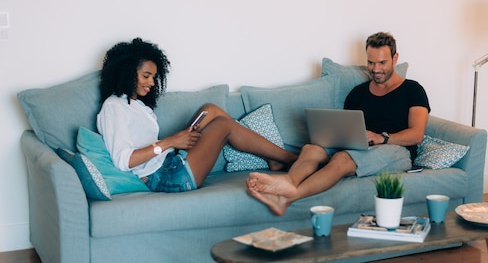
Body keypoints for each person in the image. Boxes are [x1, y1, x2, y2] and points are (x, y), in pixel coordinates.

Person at [246, 31, 430, 215]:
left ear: (395, 58)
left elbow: (416, 134)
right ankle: (288, 182)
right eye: (371, 62)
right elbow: (347, 126)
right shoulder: (358, 93)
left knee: (342, 158)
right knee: (312, 149)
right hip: (361, 146)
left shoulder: (412, 90)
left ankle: (285, 198)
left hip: (397, 150)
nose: (375, 69)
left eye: (382, 62)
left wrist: (383, 138)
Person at [97, 38, 297, 193]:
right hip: (167, 178)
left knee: (210, 110)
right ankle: (289, 158)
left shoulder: (137, 106)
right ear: (127, 72)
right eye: (146, 76)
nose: (151, 83)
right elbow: (123, 160)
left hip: (169, 162)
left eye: (154, 77)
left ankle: (274, 160)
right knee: (222, 126)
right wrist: (170, 142)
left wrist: (177, 141)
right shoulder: (113, 107)